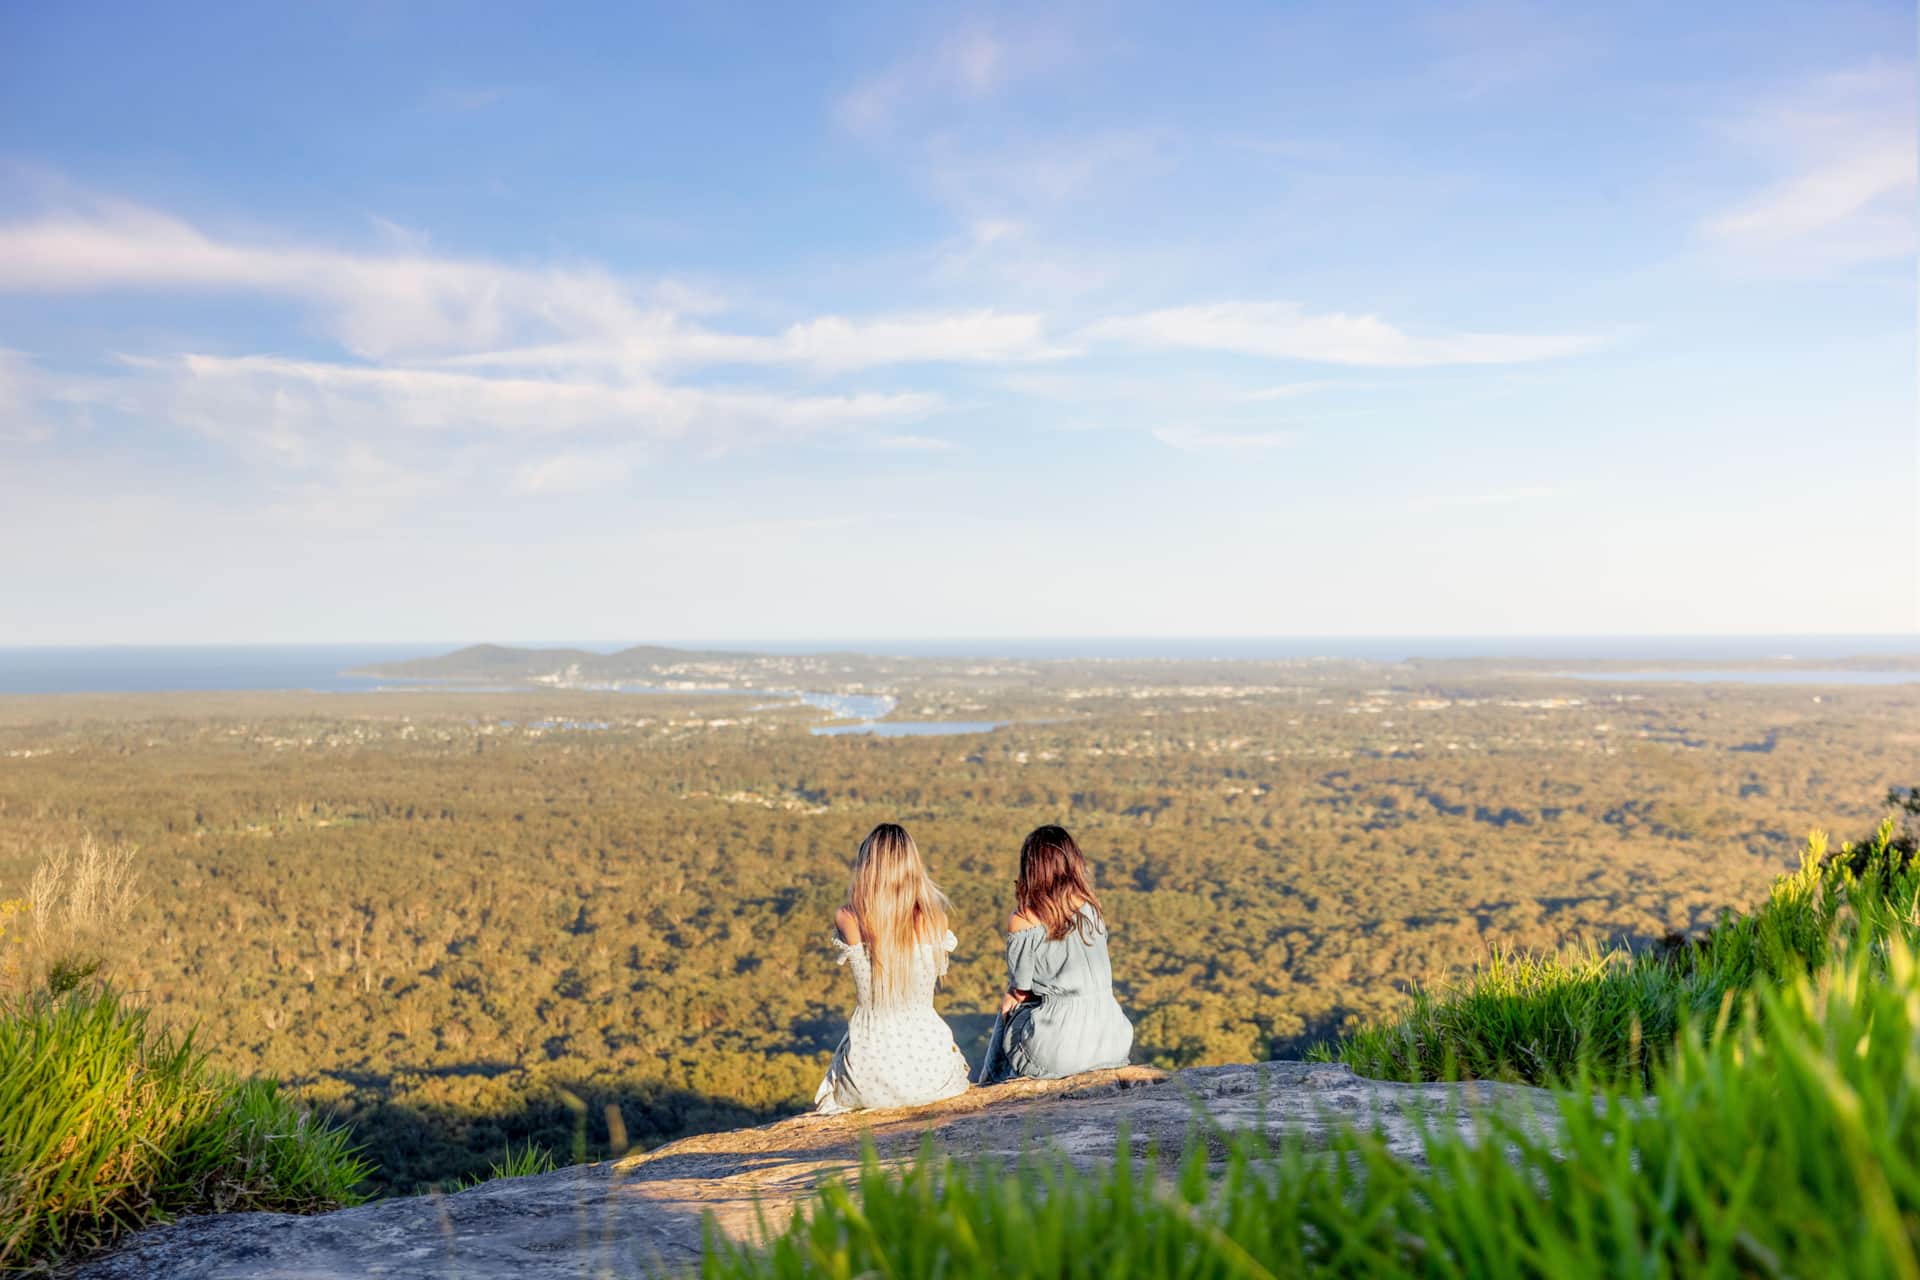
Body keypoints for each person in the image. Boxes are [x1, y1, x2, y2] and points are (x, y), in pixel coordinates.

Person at [813, 822, 971, 1113]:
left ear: (868, 867)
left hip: (869, 1073)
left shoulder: (849, 918)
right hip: (931, 1071)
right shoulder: (936, 920)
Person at [974, 824, 1133, 1084]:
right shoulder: (1091, 907)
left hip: (1058, 1053)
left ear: (1031, 868)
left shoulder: (1024, 919)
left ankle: (989, 1084)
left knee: (1011, 1003)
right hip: (1112, 1040)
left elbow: (1021, 989)